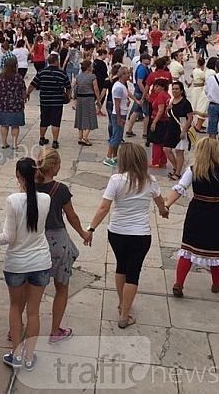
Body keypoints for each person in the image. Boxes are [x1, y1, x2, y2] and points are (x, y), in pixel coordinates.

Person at [87, 141, 167, 328]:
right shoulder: (150, 181)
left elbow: (104, 207)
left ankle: (122, 303)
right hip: (140, 234)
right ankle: (124, 315)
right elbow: (160, 203)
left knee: (121, 266)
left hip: (117, 232)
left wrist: (91, 228)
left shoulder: (116, 180)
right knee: (133, 273)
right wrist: (164, 212)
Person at [0, 158, 51, 371]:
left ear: (18, 176)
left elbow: (9, 236)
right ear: (36, 175)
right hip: (41, 261)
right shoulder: (45, 198)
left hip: (17, 263)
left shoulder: (13, 200)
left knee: (15, 307)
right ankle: (29, 357)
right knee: (34, 311)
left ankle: (15, 354)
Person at [164, 137, 219, 297]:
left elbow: (180, 188)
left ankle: (179, 284)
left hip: (197, 211)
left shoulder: (193, 169)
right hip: (216, 212)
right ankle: (217, 284)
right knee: (217, 249)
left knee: (188, 247)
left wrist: (167, 205)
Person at [35, 148, 91, 343]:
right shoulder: (61, 190)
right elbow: (72, 216)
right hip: (58, 242)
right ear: (53, 166)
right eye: (59, 163)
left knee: (33, 289)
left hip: (36, 242)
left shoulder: (28, 187)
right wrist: (83, 233)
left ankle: (19, 325)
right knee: (61, 287)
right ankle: (55, 330)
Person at [26, 54, 71, 149]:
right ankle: (55, 141)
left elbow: (33, 84)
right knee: (56, 121)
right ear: (56, 61)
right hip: (57, 101)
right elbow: (68, 87)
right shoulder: (62, 73)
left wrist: (27, 93)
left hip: (45, 100)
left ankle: (42, 138)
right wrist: (68, 96)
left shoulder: (42, 72)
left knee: (44, 120)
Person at [0, 56, 26, 150]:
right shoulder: (18, 77)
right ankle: (14, 143)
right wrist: (24, 98)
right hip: (17, 104)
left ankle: (4, 142)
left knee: (4, 124)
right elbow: (23, 90)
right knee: (15, 125)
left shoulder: (0, 77)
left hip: (3, 104)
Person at [164, 81, 193, 180]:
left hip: (181, 127)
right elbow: (168, 114)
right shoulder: (171, 101)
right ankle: (177, 168)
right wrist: (168, 108)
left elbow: (190, 117)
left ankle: (177, 173)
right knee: (166, 149)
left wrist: (184, 131)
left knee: (179, 151)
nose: (174, 91)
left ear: (181, 90)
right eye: (173, 89)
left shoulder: (185, 102)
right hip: (171, 127)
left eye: (177, 89)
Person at [72, 59, 102, 146]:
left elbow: (73, 85)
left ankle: (80, 136)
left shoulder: (78, 76)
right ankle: (85, 138)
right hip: (89, 98)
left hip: (80, 98)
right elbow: (96, 89)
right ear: (88, 67)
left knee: (80, 116)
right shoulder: (92, 76)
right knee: (90, 117)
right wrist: (98, 100)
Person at [148, 78, 171, 169]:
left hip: (160, 121)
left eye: (157, 86)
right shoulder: (167, 95)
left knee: (156, 142)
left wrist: (154, 122)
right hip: (165, 121)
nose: (155, 88)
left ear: (162, 87)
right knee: (162, 142)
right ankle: (163, 161)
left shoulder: (161, 96)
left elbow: (160, 110)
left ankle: (155, 161)